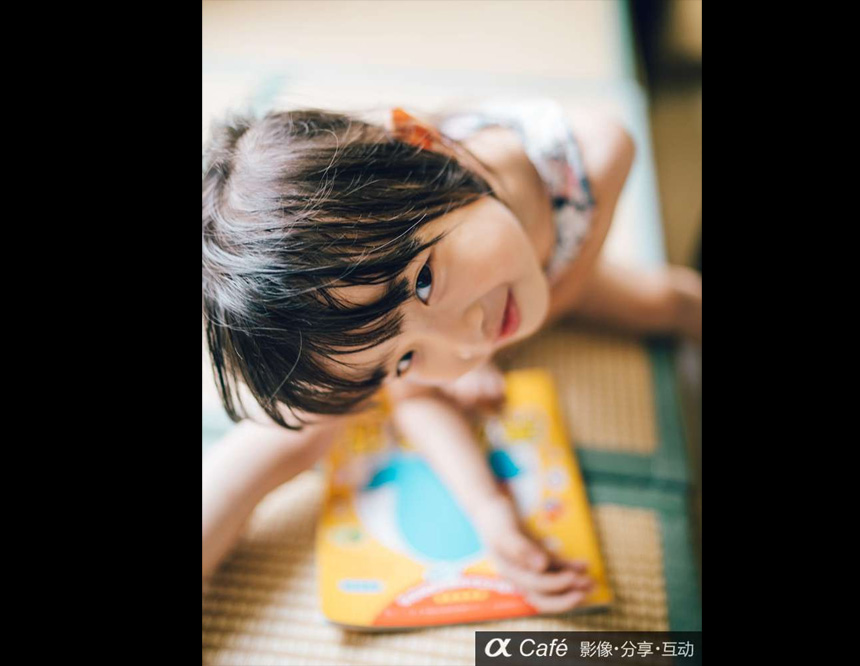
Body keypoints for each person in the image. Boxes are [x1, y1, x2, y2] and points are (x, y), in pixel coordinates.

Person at [201, 99, 701, 612]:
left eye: (424, 281)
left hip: (556, 264)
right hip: (509, 266)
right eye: (405, 358)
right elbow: (414, 395)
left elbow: (560, 296)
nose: (465, 343)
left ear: (430, 147)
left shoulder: (596, 151)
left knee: (669, 301)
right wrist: (489, 510)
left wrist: (484, 357)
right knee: (302, 423)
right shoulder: (403, 263)